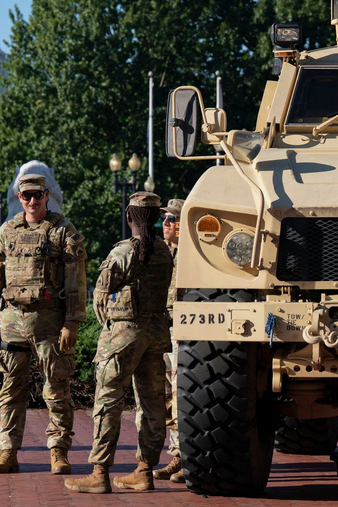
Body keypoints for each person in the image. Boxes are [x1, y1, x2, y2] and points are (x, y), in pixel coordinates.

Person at [65, 191, 173, 494]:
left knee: (108, 401)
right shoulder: (165, 252)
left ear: (129, 218)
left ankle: (99, 473)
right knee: (152, 403)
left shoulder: (121, 253)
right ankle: (144, 471)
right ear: (155, 220)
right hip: (156, 334)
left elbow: (99, 301)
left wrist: (114, 325)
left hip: (124, 336)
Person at [0, 174, 87, 475]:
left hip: (50, 321)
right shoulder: (7, 231)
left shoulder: (62, 230)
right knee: (10, 389)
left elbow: (76, 281)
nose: (31, 201)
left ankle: (58, 451)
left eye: (37, 195)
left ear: (47, 195)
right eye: (26, 195)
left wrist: (72, 322)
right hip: (12, 320)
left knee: (56, 389)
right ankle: (8, 451)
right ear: (19, 196)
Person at [153, 198, 185, 483]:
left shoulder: (194, 256)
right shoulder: (161, 253)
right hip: (161, 330)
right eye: (163, 220)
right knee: (164, 395)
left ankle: (186, 457)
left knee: (180, 395)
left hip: (183, 333)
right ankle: (177, 454)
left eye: (171, 220)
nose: (165, 224)